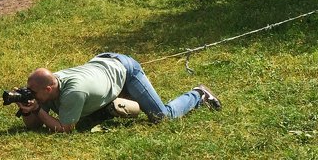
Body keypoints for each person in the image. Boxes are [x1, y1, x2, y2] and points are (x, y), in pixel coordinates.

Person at [18, 52, 221, 133]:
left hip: (125, 69)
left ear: (48, 89)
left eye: (33, 92)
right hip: (102, 65)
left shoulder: (73, 92)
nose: (31, 95)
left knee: (162, 116)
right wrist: (28, 110)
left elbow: (65, 129)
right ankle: (111, 103)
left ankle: (199, 94)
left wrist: (38, 110)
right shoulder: (47, 87)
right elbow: (34, 125)